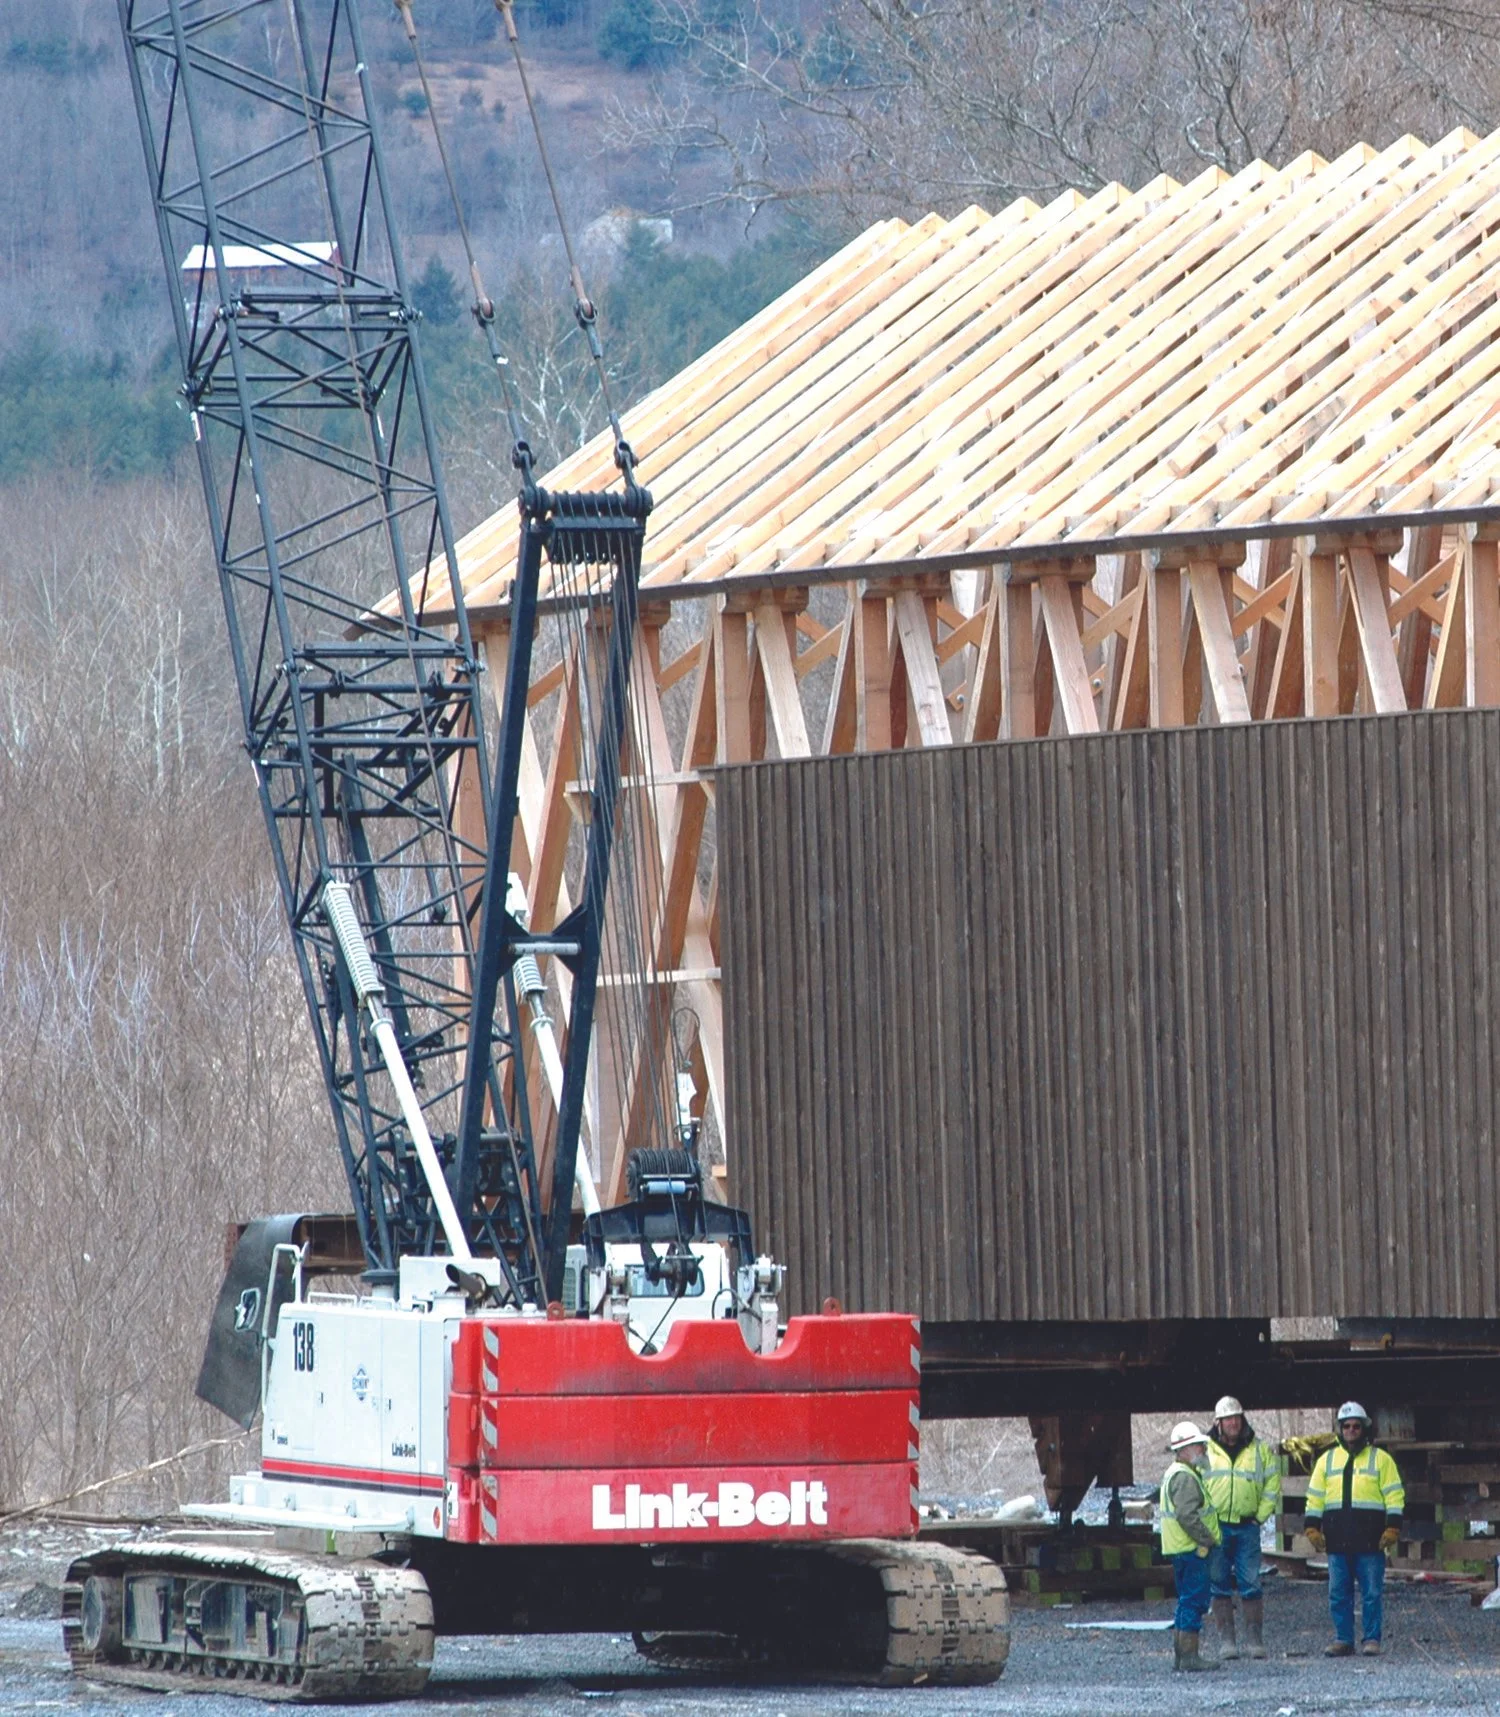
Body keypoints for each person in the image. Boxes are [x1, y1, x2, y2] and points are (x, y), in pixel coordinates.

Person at [1303, 1401, 1404, 1656]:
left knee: (1371, 1593)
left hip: (1371, 1541)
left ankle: (1372, 1639)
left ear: (1364, 1428)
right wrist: (1312, 1527)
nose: (1351, 1430)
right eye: (1346, 1426)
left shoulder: (1382, 1460)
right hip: (1337, 1541)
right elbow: (1315, 1497)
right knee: (1338, 1593)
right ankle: (1343, 1639)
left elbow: (1394, 1496)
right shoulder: (1326, 1461)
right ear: (1339, 1429)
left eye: (1356, 1426)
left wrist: (1392, 1528)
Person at [1204, 1393, 1280, 1660]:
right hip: (1217, 1528)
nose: (1233, 1423)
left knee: (1251, 1583)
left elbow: (1272, 1484)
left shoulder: (1259, 1449)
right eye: (1227, 1419)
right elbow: (1196, 1487)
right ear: (1218, 1423)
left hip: (1248, 1527)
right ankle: (1227, 1642)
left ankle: (1254, 1641)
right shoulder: (1205, 1451)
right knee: (1219, 1584)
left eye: (1236, 1417)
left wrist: (1260, 1516)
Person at [1159, 1421, 1222, 1671]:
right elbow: (1187, 1515)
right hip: (1191, 1549)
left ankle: (1182, 1657)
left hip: (1181, 1549)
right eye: (1198, 1445)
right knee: (1194, 1601)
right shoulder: (1184, 1477)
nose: (1202, 1450)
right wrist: (1206, 1538)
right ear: (1184, 1449)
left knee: (1186, 1601)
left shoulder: (1176, 1473)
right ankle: (1189, 1657)